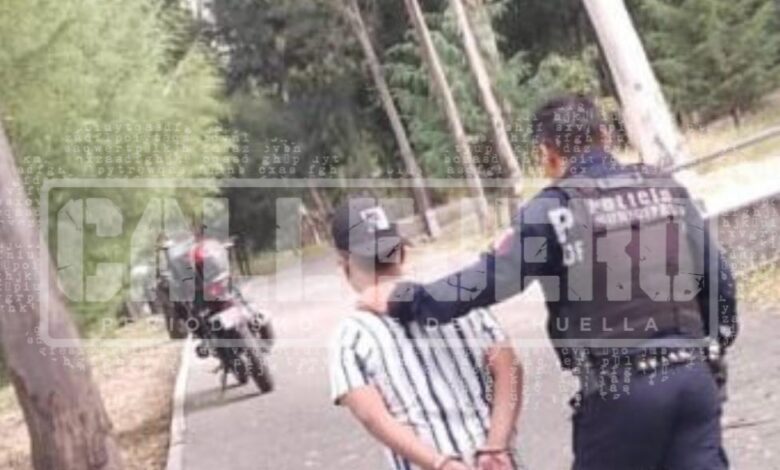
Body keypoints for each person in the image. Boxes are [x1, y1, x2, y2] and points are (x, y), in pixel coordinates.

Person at [360, 95, 738, 470]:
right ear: (604, 136)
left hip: (622, 393)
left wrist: (407, 300)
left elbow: (490, 280)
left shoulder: (551, 211)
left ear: (548, 153)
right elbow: (718, 278)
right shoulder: (665, 187)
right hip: (694, 381)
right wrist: (711, 349)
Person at [327, 198, 525, 470]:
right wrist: (496, 446)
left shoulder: (351, 337)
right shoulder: (457, 302)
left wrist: (440, 463)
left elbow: (372, 417)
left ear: (344, 264)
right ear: (402, 252)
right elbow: (510, 370)